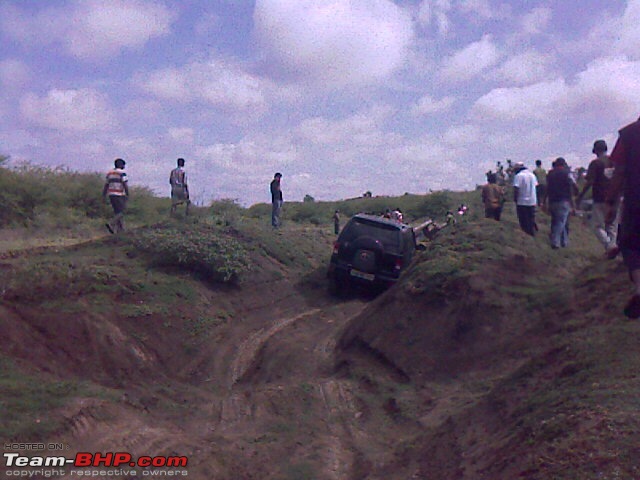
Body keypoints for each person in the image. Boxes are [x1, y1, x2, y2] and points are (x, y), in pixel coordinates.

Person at [606, 115, 640, 318]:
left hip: (636, 201)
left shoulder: (628, 134)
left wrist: (611, 203)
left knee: (632, 245)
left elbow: (619, 172)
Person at [576, 140, 617, 253]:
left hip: (600, 198)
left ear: (596, 151)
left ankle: (609, 246)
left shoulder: (595, 163)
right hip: (614, 197)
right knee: (612, 225)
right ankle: (613, 247)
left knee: (597, 226)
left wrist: (581, 195)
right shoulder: (614, 161)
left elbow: (590, 181)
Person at [544, 157, 577, 249]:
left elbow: (547, 188)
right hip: (563, 200)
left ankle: (564, 242)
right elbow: (572, 187)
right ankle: (555, 241)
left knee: (558, 221)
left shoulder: (550, 174)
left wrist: (544, 201)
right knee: (561, 222)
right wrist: (573, 203)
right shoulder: (567, 174)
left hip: (552, 200)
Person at [102, 158, 129, 234]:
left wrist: (104, 195)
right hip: (119, 194)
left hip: (111, 194)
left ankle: (121, 231)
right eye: (123, 165)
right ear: (120, 165)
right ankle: (111, 223)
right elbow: (125, 184)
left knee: (117, 212)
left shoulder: (110, 173)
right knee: (122, 212)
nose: (124, 166)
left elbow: (106, 185)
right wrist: (127, 194)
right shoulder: (122, 173)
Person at [512, 162, 538, 236]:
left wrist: (515, 198)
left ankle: (526, 234)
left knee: (523, 220)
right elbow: (536, 186)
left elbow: (516, 188)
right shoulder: (532, 175)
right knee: (531, 218)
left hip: (522, 201)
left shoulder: (519, 176)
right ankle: (532, 233)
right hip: (532, 201)